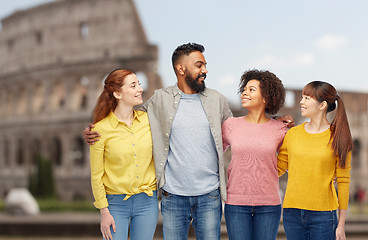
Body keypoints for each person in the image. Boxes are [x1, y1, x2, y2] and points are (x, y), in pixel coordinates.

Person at [84, 43, 293, 239]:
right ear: (181, 69)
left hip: (209, 196)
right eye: (199, 65)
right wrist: (94, 129)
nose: (205, 70)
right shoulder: (160, 99)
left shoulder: (217, 100)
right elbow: (127, 116)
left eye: (205, 65)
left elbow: (242, 127)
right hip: (173, 195)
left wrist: (273, 121)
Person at [278, 81, 352, 240]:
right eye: (302, 97)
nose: (301, 102)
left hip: (324, 215)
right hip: (292, 212)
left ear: (322, 105)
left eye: (307, 98)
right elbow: (277, 168)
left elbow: (344, 181)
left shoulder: (339, 137)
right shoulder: (292, 134)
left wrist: (341, 225)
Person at [89, 69, 158, 240]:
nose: (140, 89)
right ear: (118, 93)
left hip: (147, 202)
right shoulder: (100, 130)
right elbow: (96, 175)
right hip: (114, 205)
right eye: (133, 85)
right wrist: (104, 212)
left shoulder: (150, 121)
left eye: (139, 84)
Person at [222, 69, 288, 240]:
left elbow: (291, 161)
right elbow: (212, 152)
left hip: (269, 204)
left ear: (266, 97)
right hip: (236, 203)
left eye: (251, 90)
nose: (244, 92)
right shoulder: (230, 125)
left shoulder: (280, 129)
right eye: (244, 89)